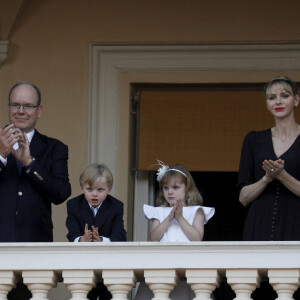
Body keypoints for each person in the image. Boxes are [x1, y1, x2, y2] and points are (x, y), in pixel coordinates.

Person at [0, 81, 71, 299]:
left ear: (39, 111)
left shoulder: (54, 148)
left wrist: (30, 164)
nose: (21, 111)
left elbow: (61, 192)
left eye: (28, 106)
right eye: (16, 104)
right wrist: (1, 156)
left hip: (34, 250)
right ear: (9, 107)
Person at [134, 161, 215, 300]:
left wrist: (180, 218)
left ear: (187, 188)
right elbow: (154, 236)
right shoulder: (159, 212)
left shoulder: (197, 211)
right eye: (166, 188)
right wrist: (169, 219)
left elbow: (197, 238)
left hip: (187, 266)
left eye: (176, 187)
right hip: (161, 266)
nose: (170, 191)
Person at [238, 76, 300, 241]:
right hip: (259, 223)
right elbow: (243, 198)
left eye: (285, 96)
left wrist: (282, 175)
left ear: (296, 100)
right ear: (267, 104)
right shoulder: (253, 140)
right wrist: (267, 178)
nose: (278, 102)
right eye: (272, 98)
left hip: (296, 222)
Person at [66, 163, 127, 300]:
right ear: (82, 188)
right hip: (83, 266)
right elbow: (72, 233)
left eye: (100, 190)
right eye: (89, 189)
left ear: (109, 190)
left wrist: (102, 241)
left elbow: (121, 236)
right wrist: (82, 239)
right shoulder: (74, 205)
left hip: (108, 265)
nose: (94, 194)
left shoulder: (116, 206)